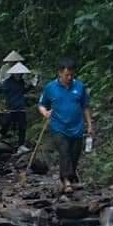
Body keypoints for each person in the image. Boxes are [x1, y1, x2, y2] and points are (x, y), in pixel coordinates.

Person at [38, 58, 93, 194]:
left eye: (71, 75)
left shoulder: (80, 87)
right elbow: (41, 104)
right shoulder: (50, 87)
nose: (69, 77)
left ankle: (70, 176)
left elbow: (85, 107)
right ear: (60, 73)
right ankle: (66, 180)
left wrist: (90, 125)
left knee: (74, 154)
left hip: (77, 127)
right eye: (66, 75)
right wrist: (45, 112)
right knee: (64, 151)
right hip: (58, 127)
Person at [0, 62, 31, 152]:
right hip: (11, 106)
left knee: (22, 126)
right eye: (18, 73)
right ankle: (1, 135)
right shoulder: (7, 82)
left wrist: (31, 86)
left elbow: (23, 91)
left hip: (21, 106)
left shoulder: (21, 82)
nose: (19, 75)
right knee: (6, 123)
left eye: (21, 74)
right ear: (13, 73)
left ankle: (21, 144)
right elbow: (2, 92)